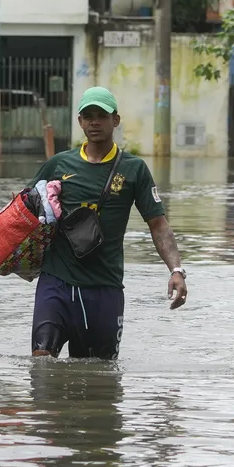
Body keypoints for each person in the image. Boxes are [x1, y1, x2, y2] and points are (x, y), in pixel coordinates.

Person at [29, 87, 188, 360]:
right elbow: (25, 209)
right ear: (80, 122)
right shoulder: (58, 164)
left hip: (104, 288)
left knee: (98, 375)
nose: (94, 122)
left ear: (115, 120)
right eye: (88, 116)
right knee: (41, 361)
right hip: (56, 282)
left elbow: (158, 225)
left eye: (101, 115)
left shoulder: (133, 169)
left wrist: (176, 270)